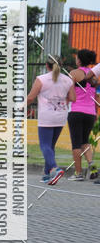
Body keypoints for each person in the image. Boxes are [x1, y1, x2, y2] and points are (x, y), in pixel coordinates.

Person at [26, 58, 76, 185]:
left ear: (47, 65)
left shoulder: (41, 79)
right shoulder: (68, 80)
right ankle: (46, 174)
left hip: (46, 116)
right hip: (61, 115)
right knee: (50, 146)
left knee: (45, 145)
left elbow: (31, 97)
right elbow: (72, 98)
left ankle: (55, 168)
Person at [67, 48, 97, 181]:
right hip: (90, 113)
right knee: (85, 141)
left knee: (76, 143)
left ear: (79, 60)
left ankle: (78, 173)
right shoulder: (94, 76)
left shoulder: (74, 73)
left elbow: (67, 90)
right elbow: (96, 95)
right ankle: (93, 167)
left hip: (76, 111)